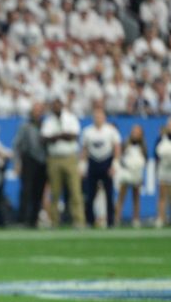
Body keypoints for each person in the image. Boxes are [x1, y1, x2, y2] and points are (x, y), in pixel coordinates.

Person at [41, 97, 85, 229]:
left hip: (69, 157)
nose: (56, 108)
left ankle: (79, 220)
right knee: (54, 191)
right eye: (53, 106)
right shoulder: (48, 121)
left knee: (75, 190)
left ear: (62, 106)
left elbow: (74, 136)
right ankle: (54, 221)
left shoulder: (70, 118)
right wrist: (62, 136)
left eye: (57, 105)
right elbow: (44, 138)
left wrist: (56, 137)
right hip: (54, 158)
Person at [80, 108, 121, 228]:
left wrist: (115, 164)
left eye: (100, 116)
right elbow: (84, 149)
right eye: (96, 116)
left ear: (104, 117)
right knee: (90, 194)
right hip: (93, 163)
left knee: (109, 194)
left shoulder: (111, 131)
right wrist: (82, 165)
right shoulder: (87, 131)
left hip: (106, 162)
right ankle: (89, 220)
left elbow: (117, 148)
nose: (98, 118)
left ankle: (110, 221)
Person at [13, 102, 47, 228]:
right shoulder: (25, 126)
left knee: (39, 192)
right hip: (28, 160)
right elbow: (17, 145)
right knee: (26, 191)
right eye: (35, 110)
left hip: (43, 162)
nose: (37, 113)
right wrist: (17, 162)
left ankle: (34, 219)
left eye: (39, 110)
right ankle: (22, 219)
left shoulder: (46, 126)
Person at [115, 124, 147, 228]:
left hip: (136, 173)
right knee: (121, 196)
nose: (135, 134)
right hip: (126, 173)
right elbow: (121, 157)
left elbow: (145, 159)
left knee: (136, 197)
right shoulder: (126, 143)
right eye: (134, 131)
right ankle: (117, 218)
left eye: (137, 132)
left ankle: (136, 219)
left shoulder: (143, 146)